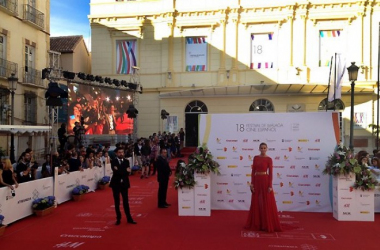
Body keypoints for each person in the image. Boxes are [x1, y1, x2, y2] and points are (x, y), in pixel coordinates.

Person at [245, 142, 282, 232]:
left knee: (266, 201)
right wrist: (252, 184)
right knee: (256, 201)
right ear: (259, 149)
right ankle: (257, 223)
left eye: (264, 148)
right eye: (261, 148)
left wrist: (270, 185)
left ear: (267, 149)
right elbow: (253, 171)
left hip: (265, 181)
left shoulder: (269, 159)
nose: (263, 149)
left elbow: (271, 173)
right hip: (257, 181)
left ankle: (266, 223)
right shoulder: (255, 158)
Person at [110, 147, 137, 225]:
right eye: (119, 152)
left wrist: (121, 170)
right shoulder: (114, 161)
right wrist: (124, 170)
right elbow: (116, 172)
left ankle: (129, 218)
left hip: (124, 183)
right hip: (115, 184)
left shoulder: (126, 161)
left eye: (122, 152)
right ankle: (118, 218)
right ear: (116, 153)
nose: (121, 154)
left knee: (126, 201)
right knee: (117, 202)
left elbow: (127, 173)